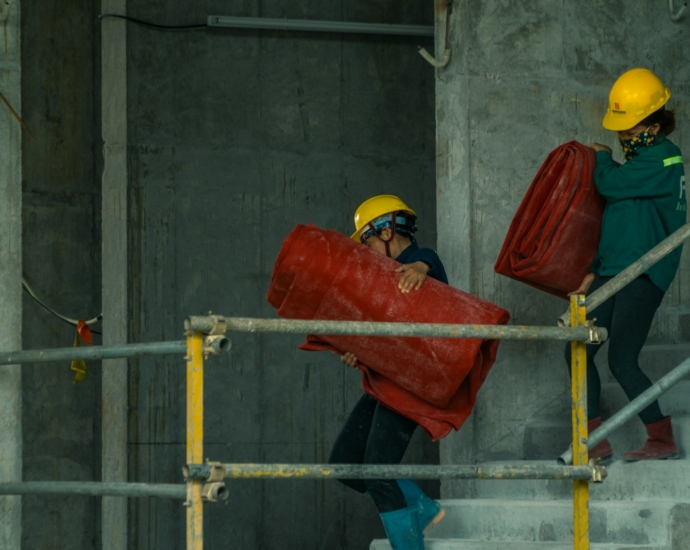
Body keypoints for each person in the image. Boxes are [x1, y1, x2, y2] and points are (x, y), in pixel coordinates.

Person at [567, 68, 687, 462]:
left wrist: (602, 157)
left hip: (643, 273)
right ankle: (594, 441)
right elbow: (619, 223)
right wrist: (594, 269)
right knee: (577, 349)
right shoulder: (639, 166)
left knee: (621, 358)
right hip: (613, 270)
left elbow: (610, 186)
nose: (621, 137)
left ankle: (661, 437)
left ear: (654, 125)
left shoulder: (665, 158)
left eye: (629, 129)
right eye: (619, 130)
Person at [328, 195, 447, 550]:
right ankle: (421, 506)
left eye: (365, 240)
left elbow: (431, 263)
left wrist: (421, 269)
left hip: (412, 383)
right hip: (386, 378)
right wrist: (357, 354)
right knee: (345, 464)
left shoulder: (419, 264)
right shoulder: (384, 276)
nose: (364, 249)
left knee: (378, 472)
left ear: (386, 230)